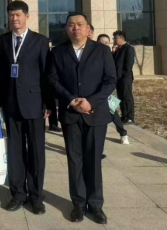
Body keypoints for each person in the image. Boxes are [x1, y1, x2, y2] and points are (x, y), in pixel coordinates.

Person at [47, 13, 116, 224]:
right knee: (74, 161)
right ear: (66, 29)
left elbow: (110, 80)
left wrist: (90, 102)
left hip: (95, 114)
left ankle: (95, 206)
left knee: (93, 160)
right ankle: (78, 204)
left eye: (80, 24)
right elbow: (52, 79)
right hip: (70, 114)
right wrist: (71, 100)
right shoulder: (58, 52)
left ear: (88, 29)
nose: (75, 28)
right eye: (71, 25)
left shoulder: (102, 51)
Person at [0, 0, 53, 215]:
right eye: (11, 15)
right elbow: (0, 73)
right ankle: (18, 194)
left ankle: (36, 196)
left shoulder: (40, 41)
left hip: (34, 104)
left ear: (27, 16)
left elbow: (46, 74)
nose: (14, 18)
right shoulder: (2, 41)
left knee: (36, 153)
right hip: (11, 105)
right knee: (15, 152)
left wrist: (48, 104)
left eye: (18, 14)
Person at [97, 35, 129, 145]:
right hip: (92, 89)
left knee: (112, 110)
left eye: (107, 42)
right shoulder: (91, 55)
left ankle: (123, 133)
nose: (104, 44)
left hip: (104, 89)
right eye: (102, 42)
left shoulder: (110, 55)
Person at [113, 30, 136, 124]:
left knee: (127, 97)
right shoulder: (118, 49)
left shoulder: (128, 48)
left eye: (115, 38)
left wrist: (123, 75)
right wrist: (113, 52)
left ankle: (130, 117)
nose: (114, 40)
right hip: (118, 77)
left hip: (125, 77)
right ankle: (124, 115)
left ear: (122, 38)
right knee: (120, 97)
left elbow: (128, 64)